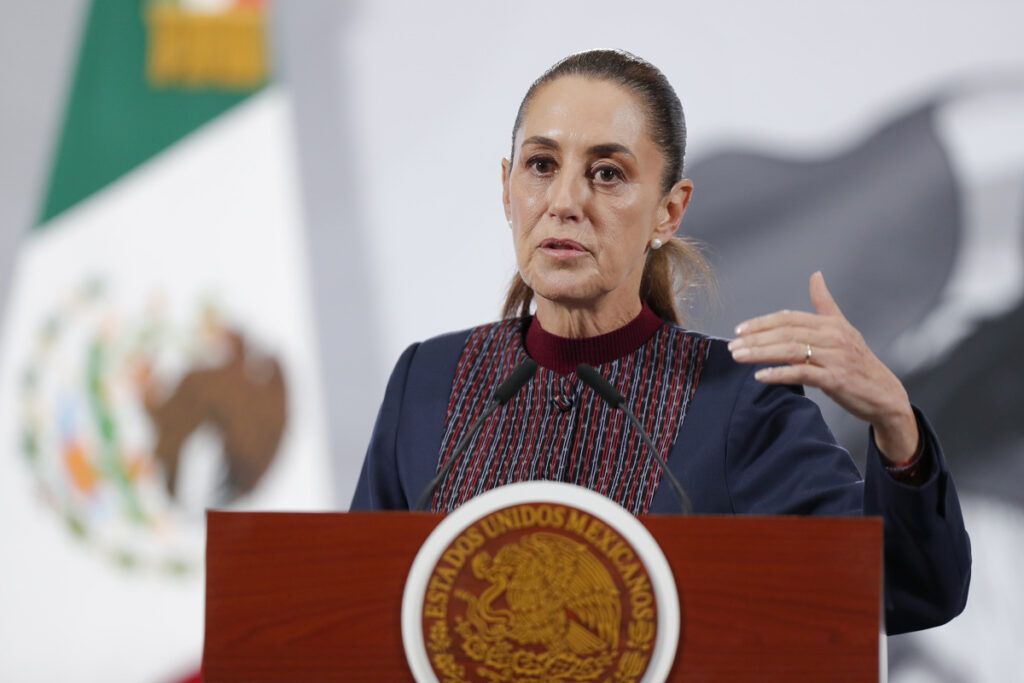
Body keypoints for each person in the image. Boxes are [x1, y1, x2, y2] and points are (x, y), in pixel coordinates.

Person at [350, 49, 970, 634]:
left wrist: (896, 425)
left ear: (668, 212)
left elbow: (905, 589)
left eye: (607, 173)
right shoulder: (428, 380)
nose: (564, 202)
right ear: (507, 188)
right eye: (542, 166)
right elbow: (354, 605)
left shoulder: (738, 403)